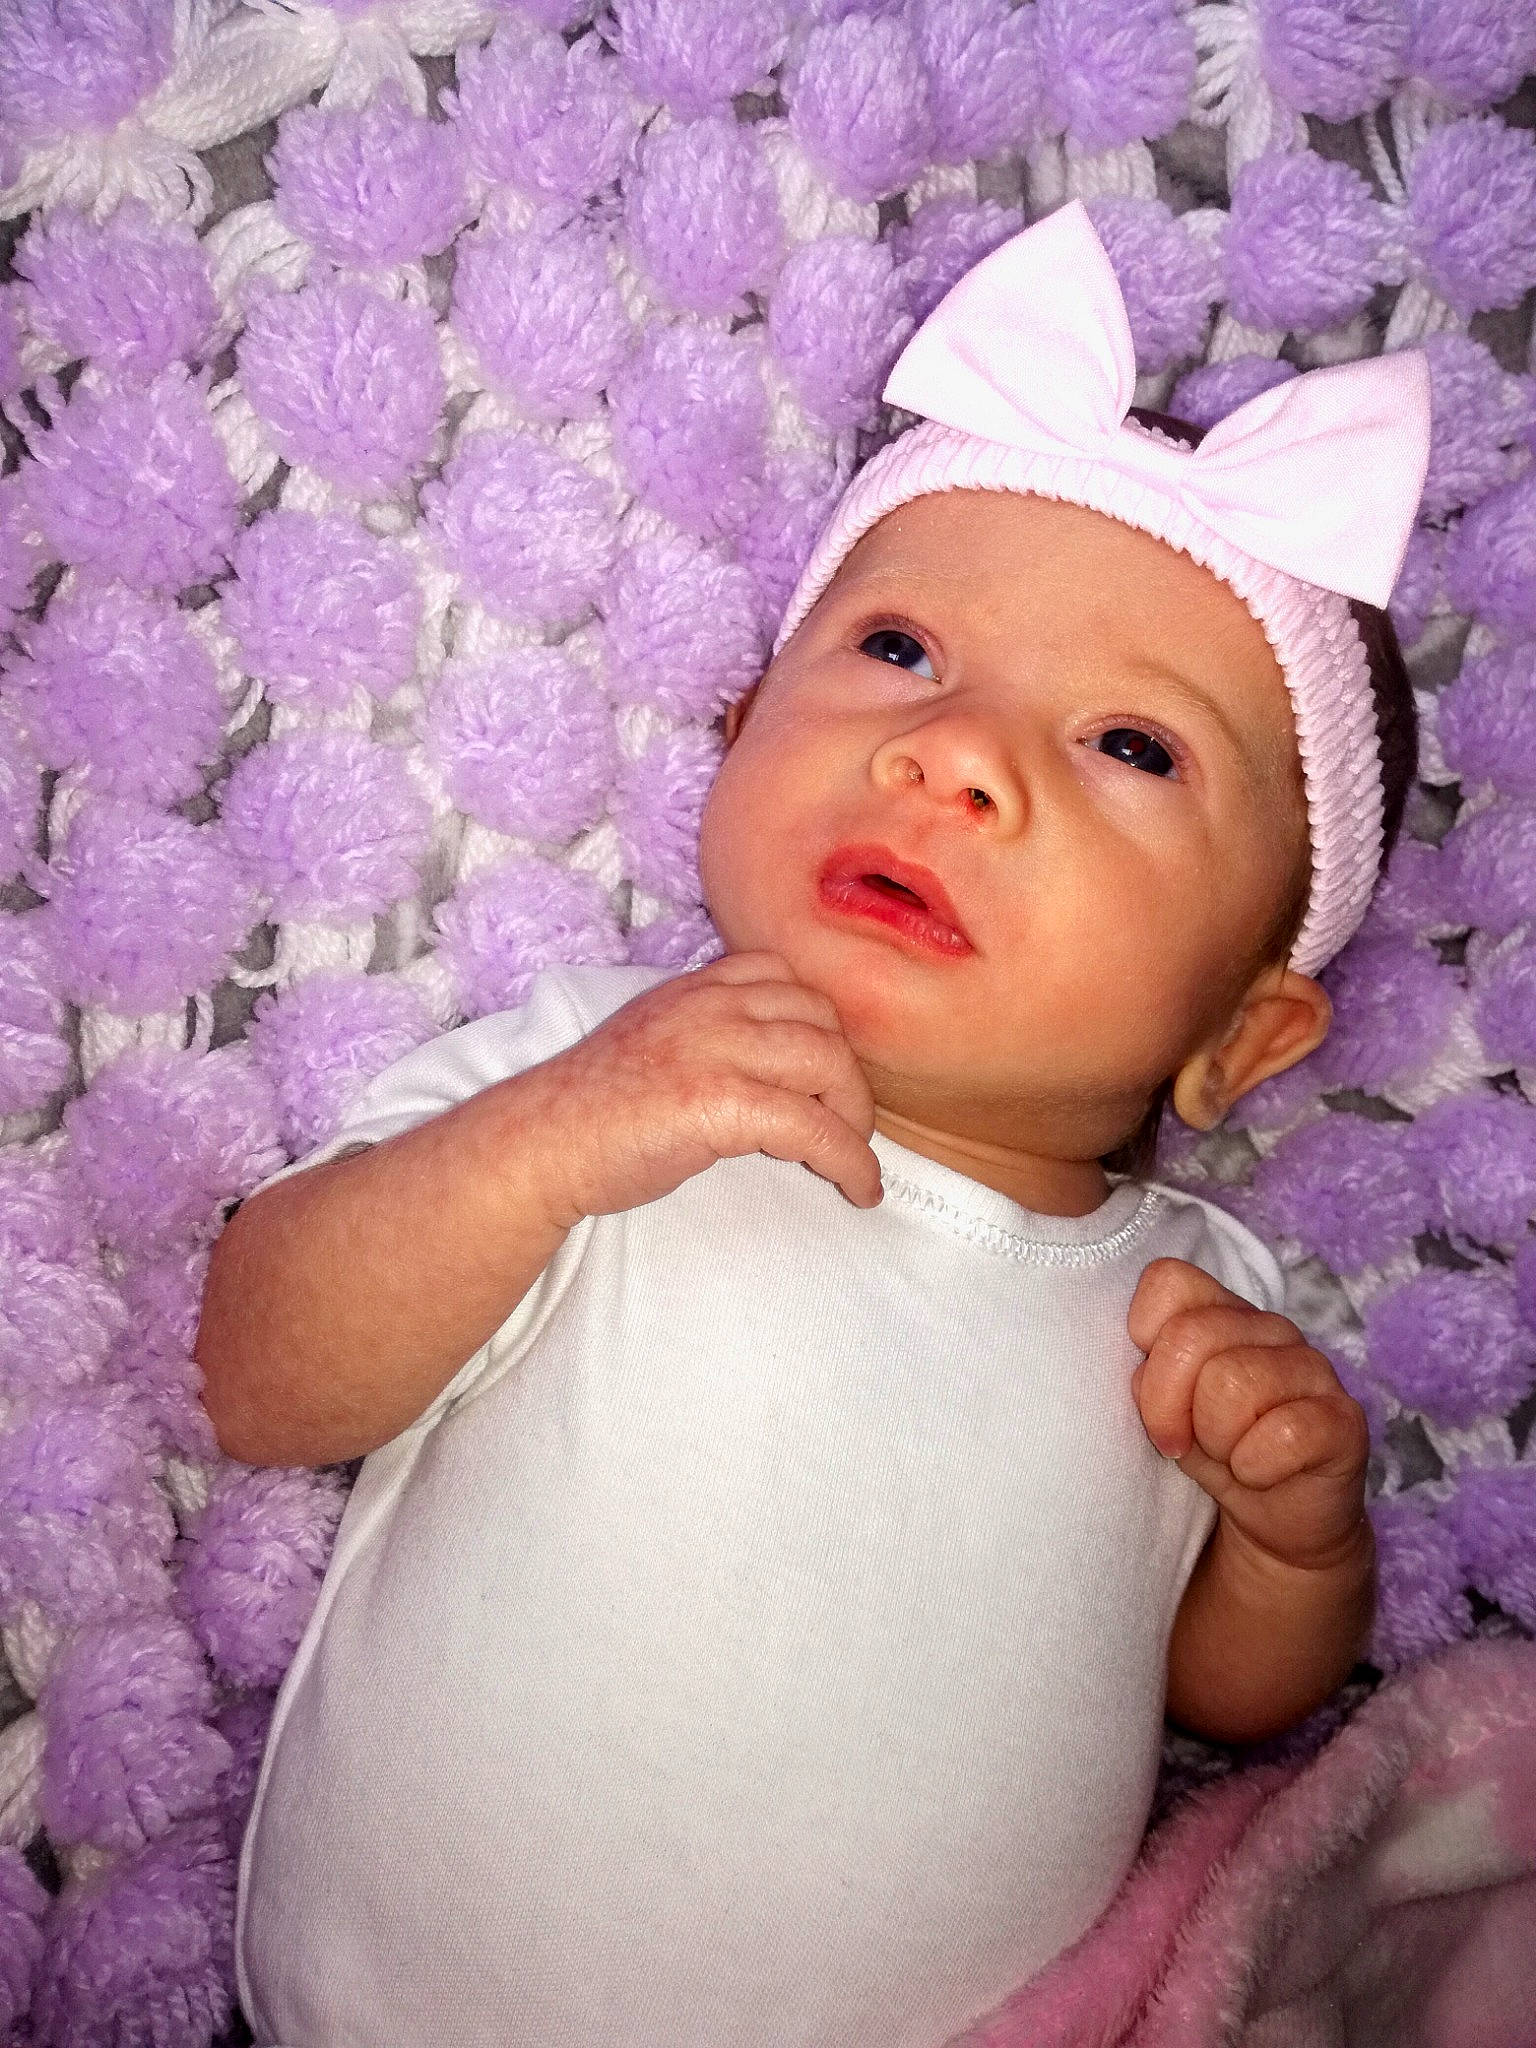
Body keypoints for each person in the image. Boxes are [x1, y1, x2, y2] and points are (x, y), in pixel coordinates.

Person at [196, 200, 1432, 2047]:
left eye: (1131, 747)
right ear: (740, 720)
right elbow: (262, 1374)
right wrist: (551, 1143)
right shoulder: (596, 1075)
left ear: (1246, 1036)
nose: (957, 755)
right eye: (903, 650)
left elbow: (1222, 1702)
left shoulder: (1192, 1310)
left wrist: (1297, 1551)